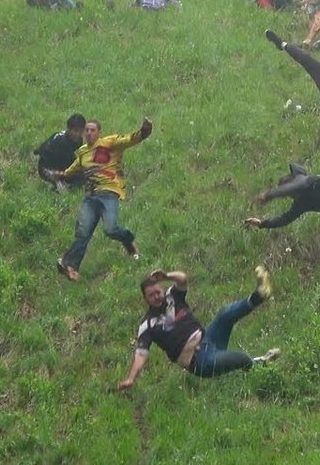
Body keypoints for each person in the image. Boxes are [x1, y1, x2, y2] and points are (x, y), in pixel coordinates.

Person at [116, 266, 280, 389]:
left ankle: (260, 294)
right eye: (151, 295)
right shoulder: (148, 325)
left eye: (157, 292)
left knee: (225, 315)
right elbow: (141, 354)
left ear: (162, 289)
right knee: (240, 359)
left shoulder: (173, 296)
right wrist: (131, 378)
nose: (156, 297)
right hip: (200, 361)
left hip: (209, 338)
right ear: (145, 299)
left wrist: (166, 276)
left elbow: (183, 279)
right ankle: (261, 364)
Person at [49, 117, 153, 281]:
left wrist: (144, 131)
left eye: (92, 130)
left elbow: (130, 139)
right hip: (90, 196)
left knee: (110, 229)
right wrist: (60, 175)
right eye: (86, 130)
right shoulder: (83, 151)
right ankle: (69, 265)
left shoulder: (110, 142)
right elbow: (73, 169)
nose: (89, 133)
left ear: (99, 132)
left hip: (108, 193)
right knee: (83, 232)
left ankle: (128, 240)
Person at [34, 113, 88, 193]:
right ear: (68, 129)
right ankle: (57, 185)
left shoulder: (78, 140)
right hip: (47, 168)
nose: (78, 134)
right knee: (79, 179)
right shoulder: (62, 142)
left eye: (81, 131)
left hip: (59, 163)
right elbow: (39, 150)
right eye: (75, 131)